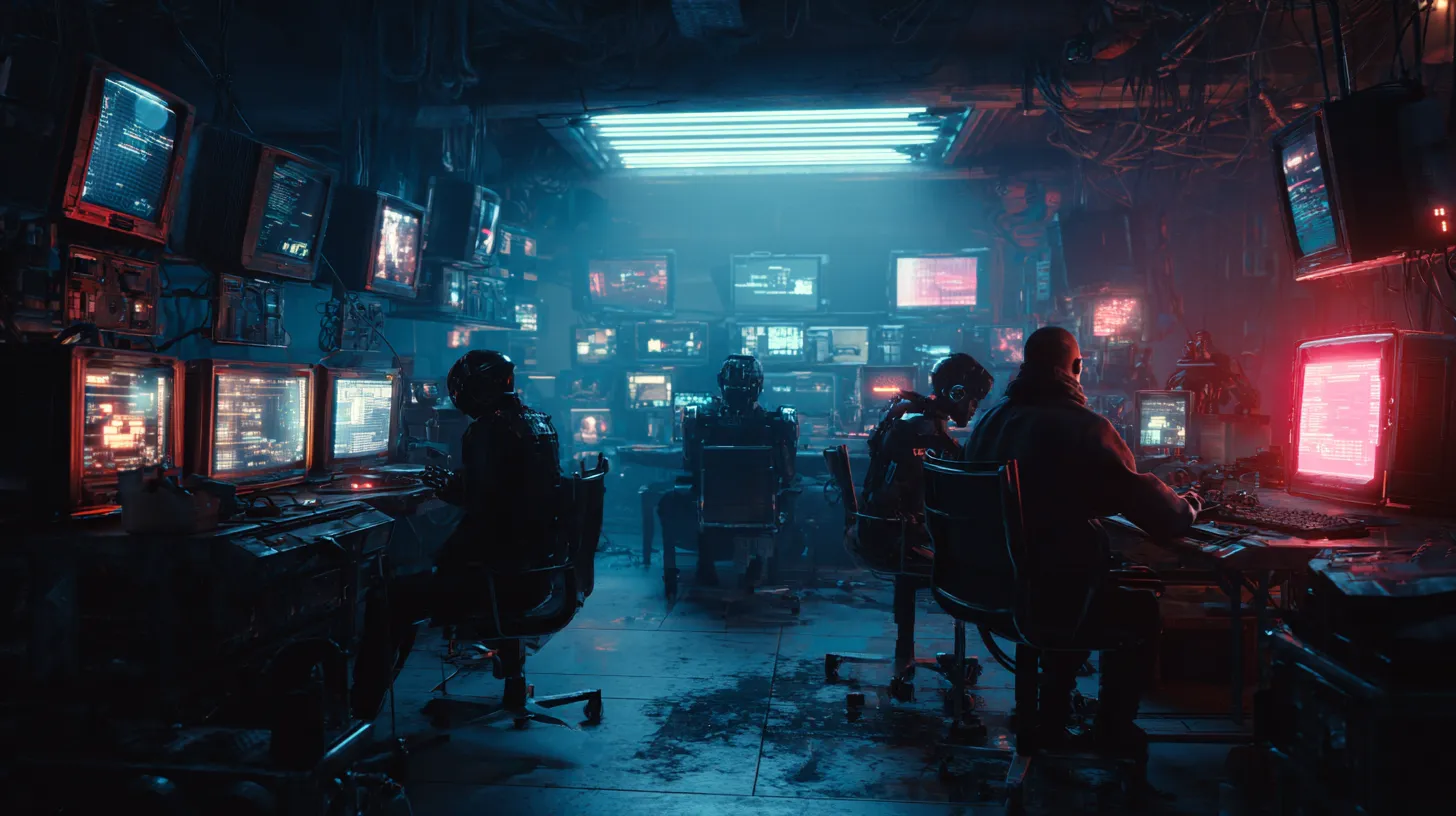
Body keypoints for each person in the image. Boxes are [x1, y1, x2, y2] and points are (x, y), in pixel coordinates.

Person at [963, 326, 1199, 754]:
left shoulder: (990, 421)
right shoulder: (1082, 427)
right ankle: (1112, 731)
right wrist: (1191, 503)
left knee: (1072, 576)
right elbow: (1160, 515)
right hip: (1045, 595)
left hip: (987, 591)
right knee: (1135, 604)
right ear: (1076, 368)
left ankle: (1050, 717)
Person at [351, 349, 565, 720]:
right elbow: (507, 493)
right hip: (537, 573)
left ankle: (358, 711)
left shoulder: (486, 429)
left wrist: (448, 489)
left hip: (500, 579)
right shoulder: (539, 422)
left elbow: (480, 502)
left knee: (392, 597)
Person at [658, 355, 799, 588]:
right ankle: (760, 562)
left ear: (720, 383)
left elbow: (689, 465)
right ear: (759, 385)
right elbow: (788, 474)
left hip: (710, 515)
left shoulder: (702, 421)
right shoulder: (775, 424)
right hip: (761, 515)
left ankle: (705, 564)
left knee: (670, 501)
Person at [860, 352, 995, 544]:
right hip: (900, 538)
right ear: (957, 394)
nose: (975, 408)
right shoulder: (923, 429)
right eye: (973, 400)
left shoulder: (919, 418)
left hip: (891, 530)